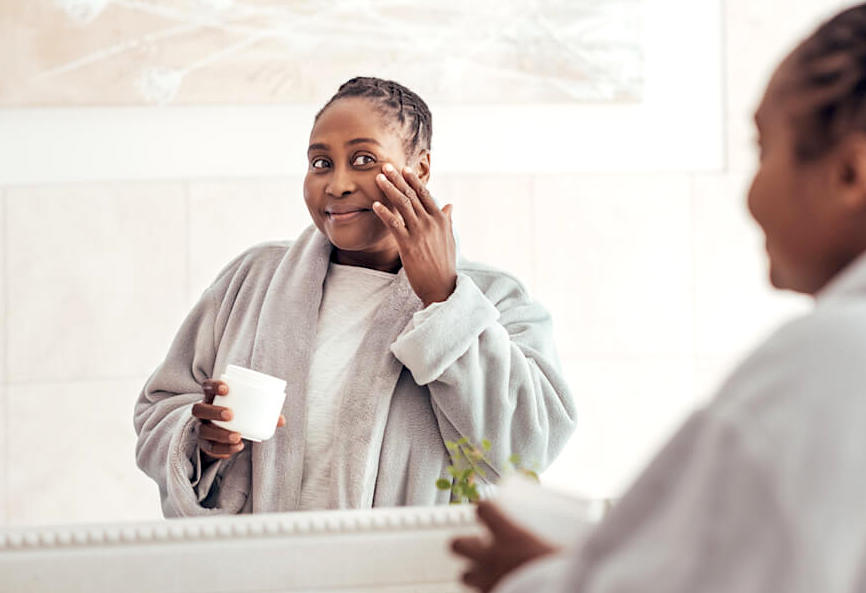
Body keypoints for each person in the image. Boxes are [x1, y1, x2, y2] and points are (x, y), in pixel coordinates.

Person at [453, 4, 866, 592]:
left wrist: (544, 579)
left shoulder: (831, 361)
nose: (750, 192)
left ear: (851, 173)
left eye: (762, 147)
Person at [134, 77, 576, 517]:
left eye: (363, 159)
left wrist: (444, 300)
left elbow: (529, 449)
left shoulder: (495, 298)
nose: (337, 184)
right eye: (321, 162)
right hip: (262, 567)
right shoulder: (251, 281)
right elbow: (159, 408)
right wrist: (202, 440)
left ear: (420, 169)